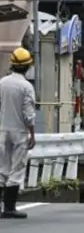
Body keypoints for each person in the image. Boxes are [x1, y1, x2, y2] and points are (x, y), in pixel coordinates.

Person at [0, 47, 36, 219]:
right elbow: (28, 113)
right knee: (17, 168)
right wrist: (32, 134)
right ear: (28, 66)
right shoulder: (26, 86)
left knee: (2, 168)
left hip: (1, 129)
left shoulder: (2, 83)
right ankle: (9, 207)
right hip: (19, 131)